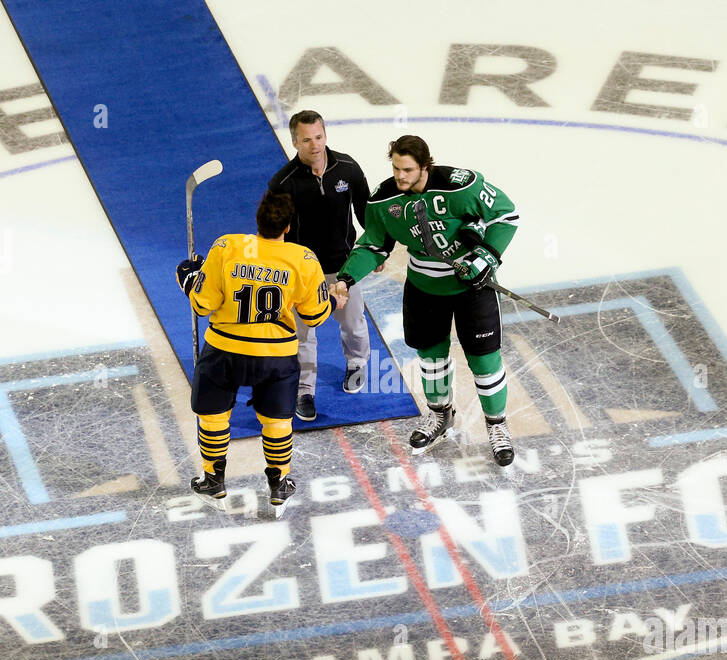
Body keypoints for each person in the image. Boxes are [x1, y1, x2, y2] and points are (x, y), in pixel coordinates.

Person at [335, 135, 520, 466]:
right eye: (395, 168)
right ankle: (440, 416)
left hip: (471, 289)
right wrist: (347, 279)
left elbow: (505, 215)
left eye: (407, 169)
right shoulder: (383, 200)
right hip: (424, 290)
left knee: (484, 361)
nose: (400, 176)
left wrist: (486, 256)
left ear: (425, 166)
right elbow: (373, 245)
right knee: (431, 360)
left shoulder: (459, 185)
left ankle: (497, 426)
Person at [176, 192, 339, 513]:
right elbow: (316, 315)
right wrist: (333, 299)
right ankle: (279, 483)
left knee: (212, 414)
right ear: (289, 226)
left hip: (225, 349)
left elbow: (201, 303)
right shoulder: (303, 258)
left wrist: (190, 276)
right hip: (275, 357)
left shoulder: (226, 247)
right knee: (277, 420)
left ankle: (213, 480)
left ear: (258, 220)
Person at [268, 110, 372, 422]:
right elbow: (274, 233)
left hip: (345, 268)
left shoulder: (348, 168)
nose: (314, 145)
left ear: (325, 135)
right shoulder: (283, 182)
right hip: (302, 274)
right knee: (302, 335)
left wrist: (372, 253)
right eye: (306, 140)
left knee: (353, 324)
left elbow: (367, 212)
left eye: (318, 137)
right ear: (294, 141)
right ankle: (304, 391)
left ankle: (357, 364)